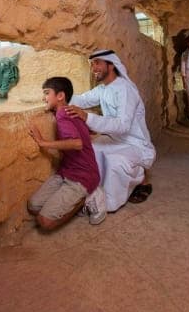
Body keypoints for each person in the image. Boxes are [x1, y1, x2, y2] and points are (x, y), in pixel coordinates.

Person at [66, 50, 156, 213]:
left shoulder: (125, 89)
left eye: (97, 63)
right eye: (92, 64)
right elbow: (82, 100)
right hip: (115, 139)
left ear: (111, 65)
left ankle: (133, 183)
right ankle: (92, 192)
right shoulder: (103, 89)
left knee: (115, 162)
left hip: (134, 143)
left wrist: (87, 118)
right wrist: (60, 95)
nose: (94, 68)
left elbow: (123, 126)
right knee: (89, 150)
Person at [28, 77, 101, 230]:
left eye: (47, 93)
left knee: (44, 222)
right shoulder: (70, 111)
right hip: (65, 172)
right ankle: (72, 199)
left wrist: (43, 142)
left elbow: (77, 143)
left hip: (83, 176)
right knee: (33, 206)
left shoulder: (62, 114)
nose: (44, 98)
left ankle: (86, 199)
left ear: (60, 96)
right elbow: (90, 132)